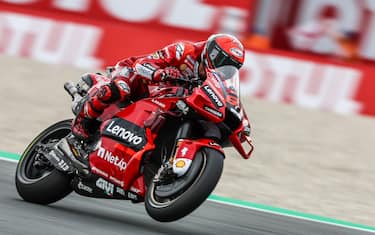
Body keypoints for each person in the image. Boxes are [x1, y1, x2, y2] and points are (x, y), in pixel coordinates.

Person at [71, 33, 246, 143]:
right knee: (120, 88)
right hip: (137, 76)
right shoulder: (183, 50)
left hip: (162, 97)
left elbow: (227, 97)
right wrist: (159, 74)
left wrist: (241, 122)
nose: (226, 69)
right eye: (224, 63)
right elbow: (142, 64)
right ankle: (83, 120)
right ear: (213, 53)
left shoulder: (215, 79)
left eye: (231, 66)